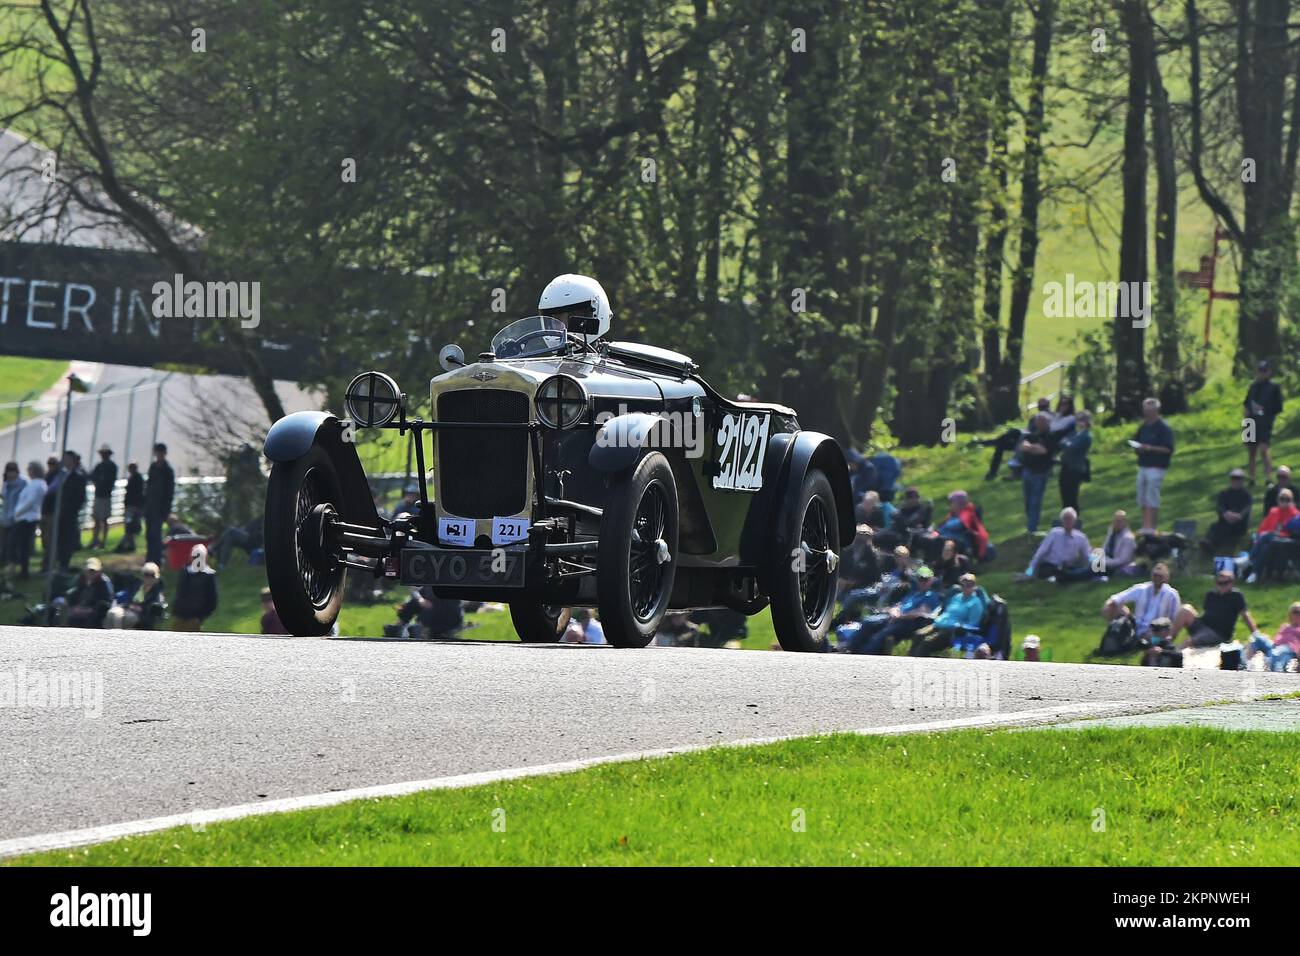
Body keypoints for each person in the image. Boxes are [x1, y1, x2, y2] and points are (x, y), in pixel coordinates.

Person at [840, 566, 942, 655]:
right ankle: (850, 648)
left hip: (907, 623)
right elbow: (899, 605)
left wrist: (899, 616)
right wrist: (894, 611)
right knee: (868, 621)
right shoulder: (914, 593)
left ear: (930, 581)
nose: (922, 582)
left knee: (880, 635)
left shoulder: (931, 596)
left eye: (925, 579)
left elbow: (920, 612)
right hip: (895, 617)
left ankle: (864, 655)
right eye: (920, 579)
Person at [1170, 568, 1257, 649]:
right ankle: (1168, 641)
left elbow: (1245, 615)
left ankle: (1173, 656)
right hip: (1204, 626)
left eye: (1225, 583)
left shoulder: (1236, 596)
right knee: (1185, 609)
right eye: (1219, 583)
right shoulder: (1211, 594)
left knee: (1189, 642)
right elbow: (1206, 613)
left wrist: (1256, 634)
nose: (1222, 586)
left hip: (1219, 633)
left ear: (1231, 583)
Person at [910, 571, 989, 657]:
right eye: (963, 585)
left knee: (926, 643)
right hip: (939, 624)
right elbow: (947, 612)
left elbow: (972, 624)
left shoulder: (975, 603)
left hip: (952, 631)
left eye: (969, 585)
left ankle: (920, 666)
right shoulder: (957, 597)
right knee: (918, 635)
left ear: (974, 587)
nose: (966, 588)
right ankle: (910, 661)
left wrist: (959, 626)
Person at [1101, 562, 1181, 641]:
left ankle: (1146, 641)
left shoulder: (1172, 595)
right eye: (1155, 575)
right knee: (1114, 606)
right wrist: (1108, 604)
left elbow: (1175, 620)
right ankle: (1118, 634)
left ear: (1166, 578)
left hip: (1156, 630)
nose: (1157, 578)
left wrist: (1168, 633)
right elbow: (1119, 597)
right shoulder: (1141, 589)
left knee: (1154, 635)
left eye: (1160, 576)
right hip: (1136, 625)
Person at [1131, 397, 1175, 533]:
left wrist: (1150, 448)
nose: (1147, 413)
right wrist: (1138, 448)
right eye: (1146, 410)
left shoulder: (1164, 428)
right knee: (1142, 497)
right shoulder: (1143, 427)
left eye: (1150, 411)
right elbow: (1136, 441)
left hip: (1157, 467)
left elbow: (1168, 449)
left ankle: (1152, 528)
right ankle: (1145, 526)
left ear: (1156, 410)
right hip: (1143, 465)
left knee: (1152, 496)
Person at [1246, 487, 1299, 582]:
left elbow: (1290, 532)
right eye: (1282, 499)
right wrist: (1263, 534)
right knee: (1265, 545)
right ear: (1278, 500)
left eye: (1287, 499)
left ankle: (1249, 561)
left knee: (1267, 538)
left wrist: (1271, 533)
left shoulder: (1294, 514)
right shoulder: (1273, 511)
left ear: (1291, 501)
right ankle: (1255, 573)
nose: (1284, 502)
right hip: (1269, 539)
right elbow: (1262, 529)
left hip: (1283, 539)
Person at [1243, 359, 1283, 484]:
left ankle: (1268, 477)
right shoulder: (1253, 386)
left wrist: (1265, 410)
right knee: (1251, 451)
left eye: (1264, 371)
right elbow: (1246, 403)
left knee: (1264, 449)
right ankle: (1252, 478)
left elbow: (1279, 407)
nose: (1262, 373)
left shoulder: (1274, 387)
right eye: (1260, 371)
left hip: (1265, 422)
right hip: (1250, 421)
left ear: (1269, 372)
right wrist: (1246, 416)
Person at [1025, 507, 1092, 582]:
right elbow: (1040, 553)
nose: (1068, 521)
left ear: (1074, 521)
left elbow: (1087, 556)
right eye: (1065, 519)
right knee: (1049, 571)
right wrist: (1029, 572)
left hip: (1067, 566)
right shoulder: (1054, 533)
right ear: (1062, 521)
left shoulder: (1081, 538)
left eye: (1070, 519)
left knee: (1074, 571)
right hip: (1050, 566)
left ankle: (1063, 577)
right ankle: (1062, 577)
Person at [1017, 413, 1059, 534]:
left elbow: (1043, 450)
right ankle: (1029, 524)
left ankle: (1032, 528)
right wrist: (1033, 447)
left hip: (1040, 472)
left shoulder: (1051, 436)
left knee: (1035, 501)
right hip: (1027, 471)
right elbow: (1023, 446)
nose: (1039, 423)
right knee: (1027, 501)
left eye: (1042, 421)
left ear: (1048, 423)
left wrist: (1032, 448)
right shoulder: (1032, 433)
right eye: (1038, 421)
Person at [923, 490, 989, 562]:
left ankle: (932, 563)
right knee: (927, 539)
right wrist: (935, 532)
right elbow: (943, 527)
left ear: (959, 503)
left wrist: (938, 532)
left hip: (964, 543)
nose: (950, 505)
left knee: (937, 541)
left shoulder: (968, 512)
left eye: (951, 502)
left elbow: (956, 525)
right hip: (951, 540)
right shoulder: (953, 515)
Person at [104, 562, 167, 630]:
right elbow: (129, 598)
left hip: (140, 614)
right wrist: (129, 605)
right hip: (127, 608)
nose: (148, 578)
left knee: (123, 618)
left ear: (156, 577)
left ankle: (117, 636)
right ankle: (108, 635)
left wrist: (141, 608)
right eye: (146, 575)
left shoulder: (157, 592)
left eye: (152, 575)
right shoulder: (137, 585)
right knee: (112, 613)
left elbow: (154, 607)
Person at [9, 462, 46, 578]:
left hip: (27, 518)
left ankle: (22, 570)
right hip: (24, 517)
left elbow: (30, 501)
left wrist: (18, 512)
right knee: (19, 544)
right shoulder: (34, 484)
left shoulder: (38, 484)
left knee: (18, 544)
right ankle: (19, 567)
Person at [1204, 468, 1253, 553]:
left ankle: (1214, 544)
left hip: (1240, 524)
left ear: (1242, 480)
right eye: (1233, 478)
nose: (1235, 481)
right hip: (1225, 519)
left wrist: (1237, 516)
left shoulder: (1246, 495)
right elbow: (1219, 507)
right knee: (1214, 526)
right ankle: (1208, 542)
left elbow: (1246, 510)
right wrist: (1225, 514)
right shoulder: (1224, 493)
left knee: (1226, 527)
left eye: (1238, 478)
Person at [171, 543, 218, 631]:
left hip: (195, 618)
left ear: (206, 558)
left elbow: (212, 600)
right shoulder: (185, 572)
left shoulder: (209, 575)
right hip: (180, 617)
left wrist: (200, 617)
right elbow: (179, 593)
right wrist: (176, 612)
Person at [54, 450, 88, 570]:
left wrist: (71, 509)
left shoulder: (78, 476)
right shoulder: (63, 475)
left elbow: (80, 497)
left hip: (69, 513)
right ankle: (58, 561)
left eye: (67, 459)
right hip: (60, 512)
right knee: (60, 537)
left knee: (67, 537)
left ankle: (64, 563)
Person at [1245, 602, 1300, 672]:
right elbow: (1277, 639)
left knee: (1277, 652)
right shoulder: (1285, 626)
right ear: (1290, 614)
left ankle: (1274, 672)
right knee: (1257, 638)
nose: (1298, 615)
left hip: (1289, 649)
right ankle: (1247, 665)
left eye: (1299, 612)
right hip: (1274, 646)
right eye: (1295, 612)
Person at [1057, 409, 1092, 516]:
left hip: (1075, 468)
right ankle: (1065, 517)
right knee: (1064, 493)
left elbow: (1072, 447)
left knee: (1072, 495)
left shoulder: (1086, 436)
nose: (1079, 422)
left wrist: (1067, 443)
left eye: (1082, 420)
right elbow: (1062, 443)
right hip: (1066, 466)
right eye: (1078, 420)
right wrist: (1067, 443)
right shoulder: (1074, 434)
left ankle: (1074, 518)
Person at [144, 443, 175, 566]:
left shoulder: (168, 470)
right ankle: (149, 559)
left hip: (160, 508)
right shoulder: (153, 467)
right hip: (150, 507)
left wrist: (166, 510)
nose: (159, 455)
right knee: (149, 535)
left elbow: (169, 492)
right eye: (157, 452)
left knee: (156, 535)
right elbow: (148, 487)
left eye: (161, 453)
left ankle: (156, 561)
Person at [63, 557, 114, 629]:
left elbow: (107, 601)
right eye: (89, 570)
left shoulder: (104, 582)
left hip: (96, 612)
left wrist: (90, 609)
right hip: (78, 609)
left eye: (93, 571)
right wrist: (75, 607)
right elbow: (71, 593)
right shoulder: (79, 580)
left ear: (99, 571)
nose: (91, 573)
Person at [87, 445, 118, 549]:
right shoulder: (99, 466)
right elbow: (92, 476)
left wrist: (101, 480)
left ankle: (103, 541)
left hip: (105, 495)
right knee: (96, 518)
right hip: (98, 494)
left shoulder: (112, 466)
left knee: (104, 519)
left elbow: (108, 481)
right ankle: (95, 539)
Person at [1095, 510, 1139, 577]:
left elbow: (1122, 561)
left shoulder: (1128, 538)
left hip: (1117, 567)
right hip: (1106, 562)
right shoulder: (1112, 532)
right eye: (1115, 521)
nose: (1117, 524)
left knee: (1089, 571)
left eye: (1120, 521)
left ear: (1126, 523)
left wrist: (1104, 562)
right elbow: (1104, 549)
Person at [39, 454, 63, 570]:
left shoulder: (59, 476)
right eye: (49, 463)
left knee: (50, 539)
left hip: (52, 512)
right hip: (44, 510)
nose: (50, 465)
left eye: (53, 463)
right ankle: (47, 560)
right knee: (44, 539)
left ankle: (49, 563)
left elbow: (51, 491)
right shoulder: (47, 475)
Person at [116, 461, 145, 553]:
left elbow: (137, 493)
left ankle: (122, 545)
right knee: (130, 527)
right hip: (132, 505)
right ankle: (131, 545)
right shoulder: (133, 478)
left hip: (134, 506)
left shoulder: (137, 479)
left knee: (130, 527)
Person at [1, 461, 25, 569]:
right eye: (9, 471)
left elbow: (23, 500)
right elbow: (5, 499)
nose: (11, 474)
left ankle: (15, 562)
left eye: (12, 471)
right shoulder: (6, 484)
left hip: (17, 516)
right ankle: (7, 561)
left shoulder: (22, 483)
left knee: (14, 542)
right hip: (6, 517)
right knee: (6, 541)